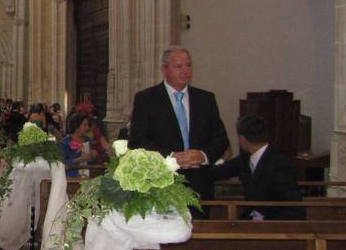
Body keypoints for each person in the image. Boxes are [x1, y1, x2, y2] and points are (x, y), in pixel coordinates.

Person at [129, 46, 229, 203]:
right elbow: (137, 141)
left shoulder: (205, 99)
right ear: (164, 69)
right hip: (162, 182)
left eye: (188, 65)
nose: (185, 71)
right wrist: (170, 157)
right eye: (178, 66)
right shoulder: (146, 99)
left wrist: (202, 156)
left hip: (200, 183)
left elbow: (221, 138)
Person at [210, 114, 304, 220]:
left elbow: (295, 209)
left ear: (242, 139)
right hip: (249, 220)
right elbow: (216, 173)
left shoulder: (279, 165)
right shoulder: (244, 159)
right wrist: (221, 158)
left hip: (273, 225)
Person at [59, 113, 94, 178]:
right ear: (76, 126)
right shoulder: (65, 142)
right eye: (85, 125)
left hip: (88, 176)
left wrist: (93, 155)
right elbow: (61, 165)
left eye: (88, 125)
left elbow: (90, 161)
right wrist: (79, 159)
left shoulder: (87, 140)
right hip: (71, 177)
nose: (87, 127)